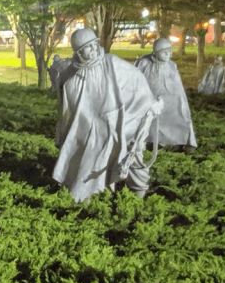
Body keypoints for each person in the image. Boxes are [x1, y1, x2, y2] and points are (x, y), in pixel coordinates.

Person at [51, 28, 162, 202]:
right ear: (79, 53)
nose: (94, 49)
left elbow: (137, 82)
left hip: (121, 121)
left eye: (94, 44)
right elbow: (67, 107)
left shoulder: (111, 62)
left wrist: (149, 104)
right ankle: (86, 198)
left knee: (133, 153)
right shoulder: (72, 75)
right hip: (91, 129)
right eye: (88, 47)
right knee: (86, 162)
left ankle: (137, 199)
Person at [134, 38, 197, 149]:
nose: (169, 54)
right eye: (165, 52)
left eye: (170, 51)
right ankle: (150, 141)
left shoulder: (172, 66)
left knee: (179, 113)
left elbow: (178, 89)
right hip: (151, 98)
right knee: (149, 117)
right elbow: (135, 81)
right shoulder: (144, 63)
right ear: (156, 52)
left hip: (171, 99)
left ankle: (178, 141)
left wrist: (177, 99)